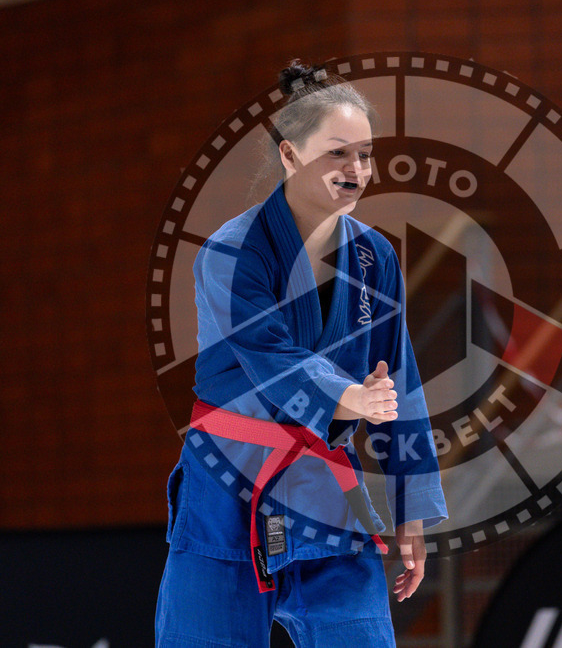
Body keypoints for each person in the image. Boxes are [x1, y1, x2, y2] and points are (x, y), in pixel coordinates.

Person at [156, 60, 447, 647]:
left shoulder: (374, 256)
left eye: (365, 154)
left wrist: (410, 511)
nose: (356, 170)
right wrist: (348, 395)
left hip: (324, 487)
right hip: (229, 482)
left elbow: (401, 383)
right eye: (337, 153)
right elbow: (268, 350)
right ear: (290, 156)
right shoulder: (232, 251)